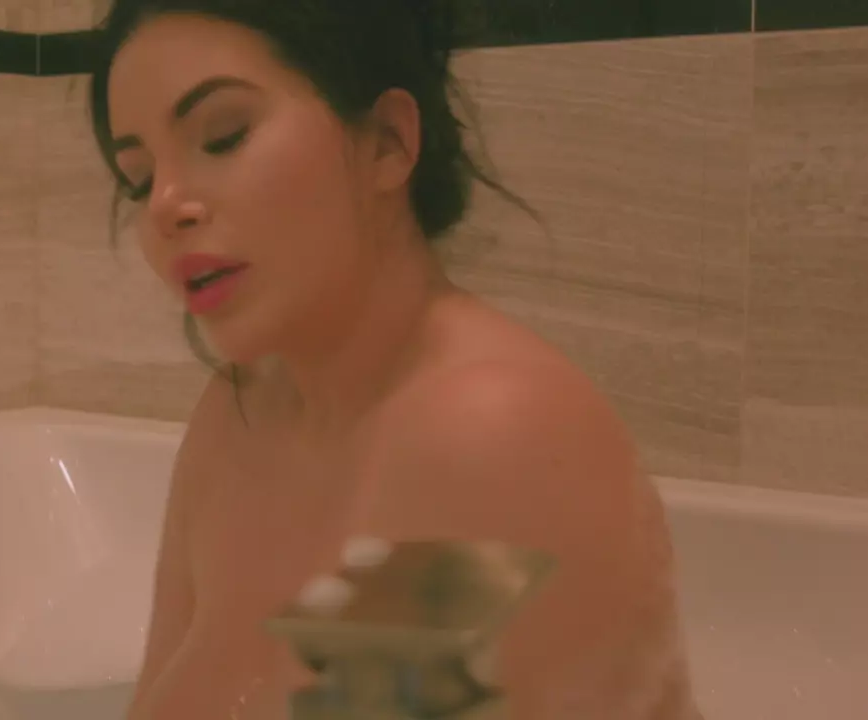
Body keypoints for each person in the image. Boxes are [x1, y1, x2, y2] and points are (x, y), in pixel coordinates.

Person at [86, 1, 702, 718]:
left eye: (224, 136)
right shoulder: (235, 414)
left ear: (386, 142)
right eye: (139, 178)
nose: (165, 206)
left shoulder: (491, 432)